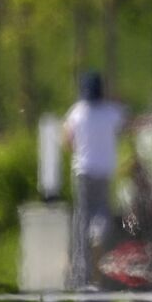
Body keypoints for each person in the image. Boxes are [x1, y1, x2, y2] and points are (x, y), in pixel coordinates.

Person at [63, 71, 125, 288]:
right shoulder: (110, 112)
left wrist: (78, 148)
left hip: (83, 171)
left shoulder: (77, 112)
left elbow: (67, 139)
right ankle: (98, 234)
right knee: (103, 210)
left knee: (82, 216)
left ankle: (82, 270)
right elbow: (126, 124)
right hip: (104, 171)